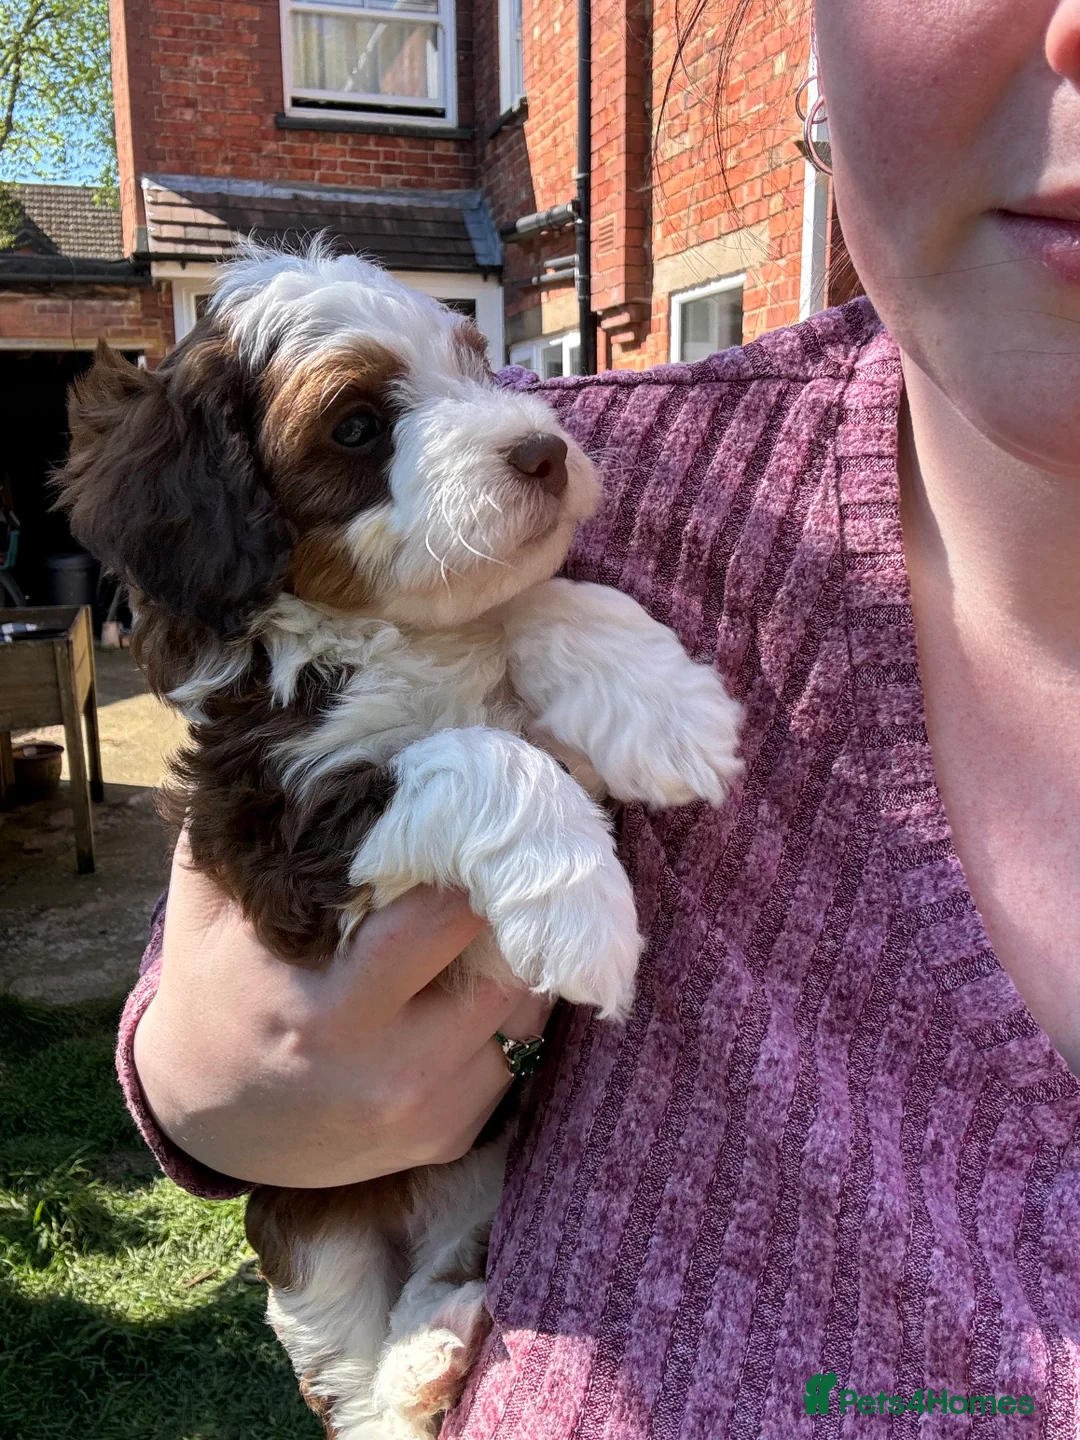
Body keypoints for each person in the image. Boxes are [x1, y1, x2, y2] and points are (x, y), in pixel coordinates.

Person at [117, 0, 1080, 1432]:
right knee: (353, 1291)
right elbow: (224, 994)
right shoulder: (585, 520)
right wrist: (191, 1086)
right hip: (378, 1240)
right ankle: (377, 1384)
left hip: (488, 1195)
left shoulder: (551, 541)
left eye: (474, 366)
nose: (507, 427)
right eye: (368, 428)